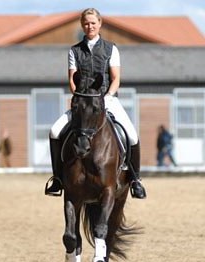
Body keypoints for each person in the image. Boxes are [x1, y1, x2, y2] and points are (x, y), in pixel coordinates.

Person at [45, 8, 146, 199]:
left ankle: (135, 180)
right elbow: (72, 80)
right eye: (86, 23)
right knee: (55, 131)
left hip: (107, 99)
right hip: (83, 102)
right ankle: (58, 179)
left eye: (93, 23)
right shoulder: (74, 51)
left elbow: (115, 78)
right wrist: (80, 98)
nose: (89, 26)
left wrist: (107, 96)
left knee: (132, 135)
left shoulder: (111, 49)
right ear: (82, 25)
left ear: (99, 24)